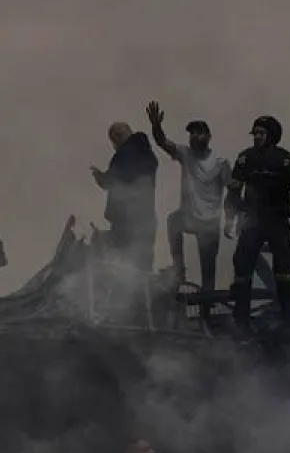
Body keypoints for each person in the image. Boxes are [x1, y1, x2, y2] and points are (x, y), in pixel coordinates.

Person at [224, 116, 290, 329]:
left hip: (278, 220)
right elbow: (234, 190)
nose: (257, 137)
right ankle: (241, 319)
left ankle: (288, 318)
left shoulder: (287, 160)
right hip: (252, 220)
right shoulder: (245, 158)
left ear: (272, 136)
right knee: (242, 264)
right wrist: (229, 217)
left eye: (261, 133)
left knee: (284, 269)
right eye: (254, 133)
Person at [146, 102, 230, 311]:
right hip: (189, 217)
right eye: (191, 133)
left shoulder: (220, 162)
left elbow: (234, 191)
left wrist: (230, 219)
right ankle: (178, 268)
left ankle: (206, 314)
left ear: (208, 136)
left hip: (210, 223)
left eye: (198, 133)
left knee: (208, 273)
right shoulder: (185, 154)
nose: (194, 137)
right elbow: (163, 142)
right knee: (173, 220)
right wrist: (156, 125)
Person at [90, 122, 159, 275]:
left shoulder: (125, 154)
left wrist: (99, 177)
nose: (114, 142)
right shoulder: (148, 154)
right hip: (146, 221)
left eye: (115, 137)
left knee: (121, 266)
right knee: (142, 270)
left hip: (127, 224)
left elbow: (111, 182)